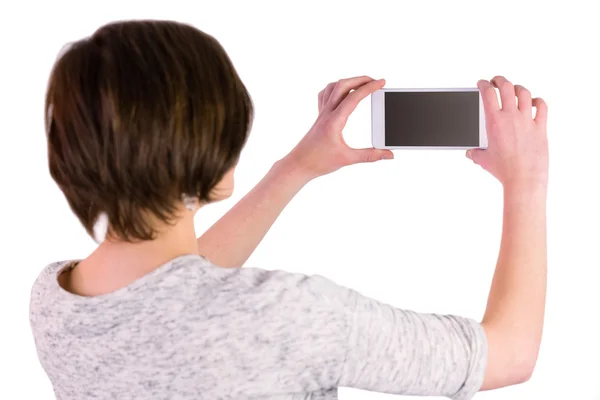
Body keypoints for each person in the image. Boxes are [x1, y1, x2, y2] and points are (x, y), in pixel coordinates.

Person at [30, 20, 549, 400]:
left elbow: (175, 294)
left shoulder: (53, 302)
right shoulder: (290, 315)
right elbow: (509, 354)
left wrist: (298, 166)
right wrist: (526, 181)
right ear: (214, 150)